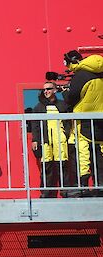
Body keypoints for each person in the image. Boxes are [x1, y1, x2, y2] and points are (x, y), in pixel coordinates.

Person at [62, 50, 103, 196]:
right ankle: (100, 186)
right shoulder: (100, 72)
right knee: (100, 153)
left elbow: (71, 98)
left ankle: (82, 185)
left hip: (83, 119)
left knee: (82, 152)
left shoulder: (81, 75)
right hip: (100, 119)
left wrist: (65, 93)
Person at [31, 82, 71, 198]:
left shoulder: (63, 105)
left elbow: (69, 121)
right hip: (46, 140)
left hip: (60, 139)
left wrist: (67, 135)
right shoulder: (38, 107)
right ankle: (45, 192)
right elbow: (35, 125)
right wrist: (35, 140)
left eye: (49, 89)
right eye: (44, 90)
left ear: (55, 90)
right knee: (46, 166)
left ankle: (65, 191)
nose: (46, 91)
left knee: (62, 165)